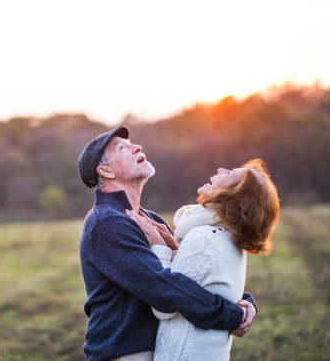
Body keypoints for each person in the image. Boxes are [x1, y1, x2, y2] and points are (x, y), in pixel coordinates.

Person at [78, 126, 257, 361]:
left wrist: (244, 302)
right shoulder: (107, 222)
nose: (137, 147)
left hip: (155, 349)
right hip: (124, 353)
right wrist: (232, 315)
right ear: (105, 171)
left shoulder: (149, 219)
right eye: (122, 147)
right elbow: (162, 287)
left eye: (131, 143)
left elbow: (190, 273)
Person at [127, 159, 279, 360]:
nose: (220, 169)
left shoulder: (205, 238)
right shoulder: (227, 237)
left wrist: (158, 247)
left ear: (233, 196)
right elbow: (196, 285)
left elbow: (164, 308)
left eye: (230, 173)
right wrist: (175, 250)